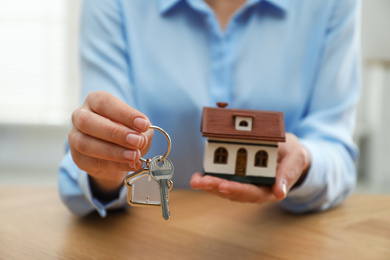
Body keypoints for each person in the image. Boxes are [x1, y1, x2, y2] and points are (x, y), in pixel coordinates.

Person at [59, 0, 361, 217]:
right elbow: (84, 161)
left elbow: (336, 155)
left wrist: (305, 162)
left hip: (280, 237)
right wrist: (104, 166)